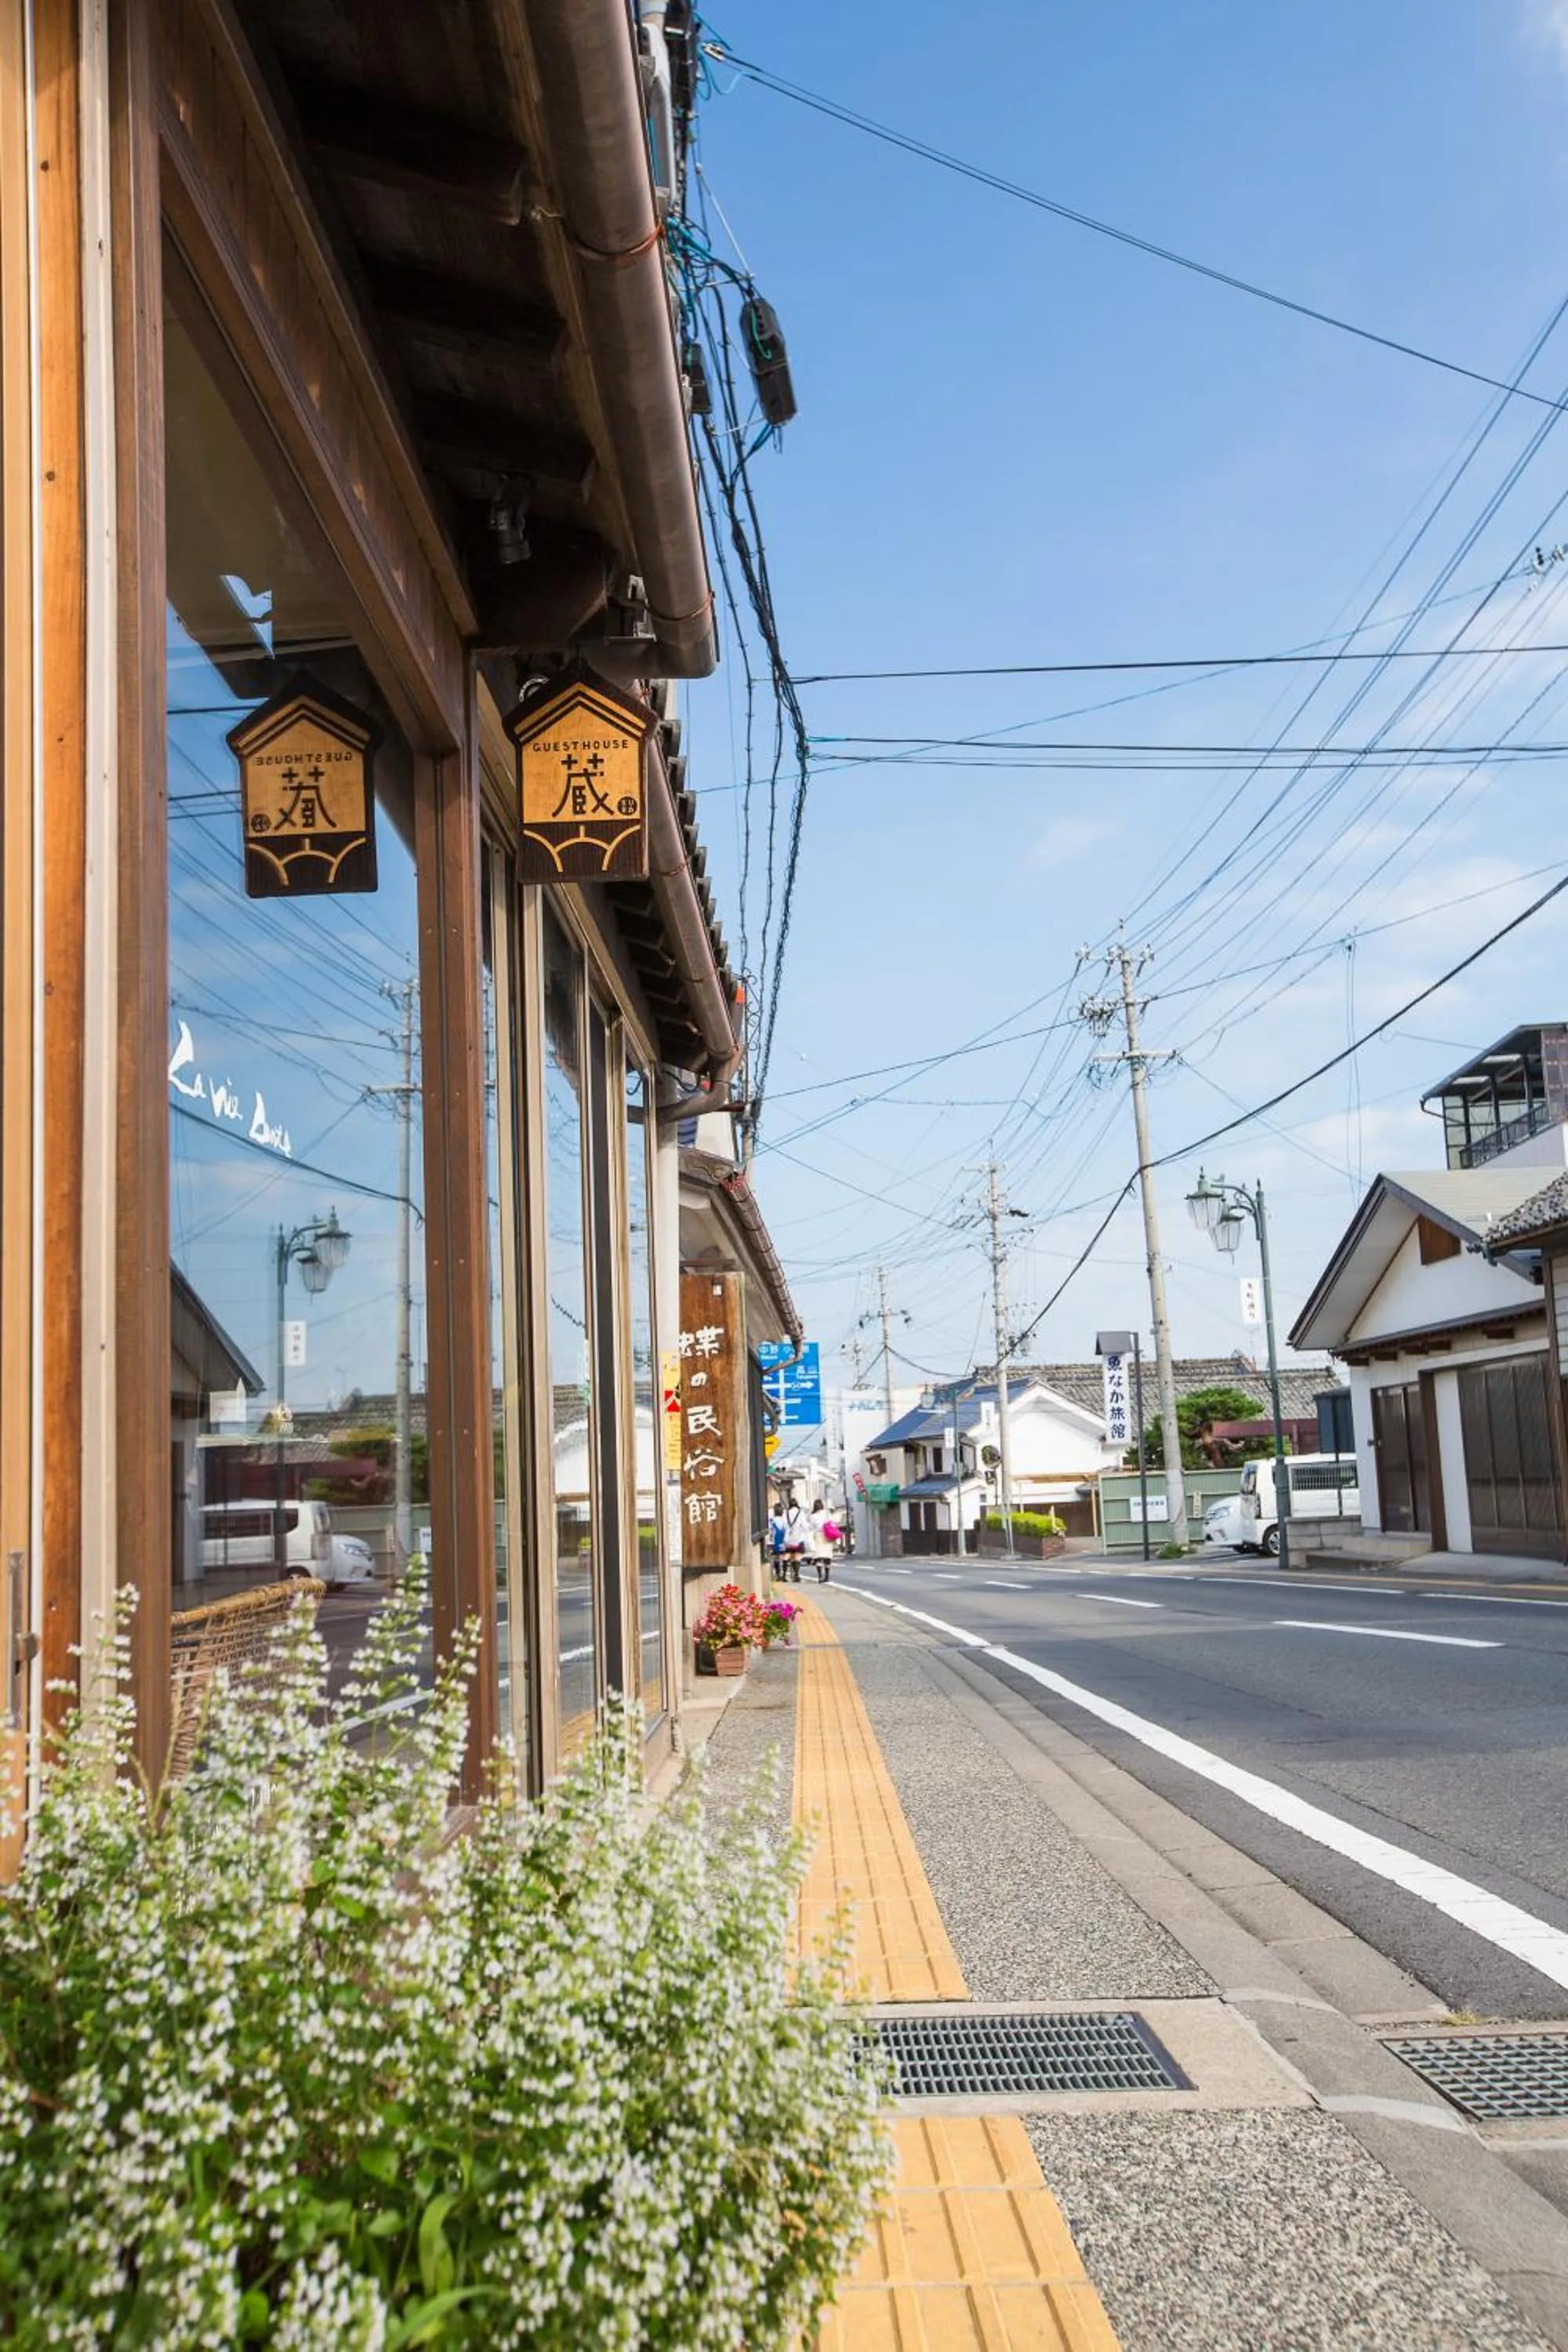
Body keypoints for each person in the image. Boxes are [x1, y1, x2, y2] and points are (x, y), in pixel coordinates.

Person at [780, 1496, 808, 1581]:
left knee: (787, 1555)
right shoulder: (801, 1513)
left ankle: (784, 1575)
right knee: (797, 1557)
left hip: (788, 1538)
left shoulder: (786, 1513)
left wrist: (789, 1529)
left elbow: (783, 1525)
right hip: (798, 1537)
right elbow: (804, 1526)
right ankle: (796, 1575)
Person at [808, 1503, 835, 1584]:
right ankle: (827, 1576)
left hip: (818, 1536)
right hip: (827, 1535)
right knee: (827, 1556)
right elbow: (832, 1522)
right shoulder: (826, 1514)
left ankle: (820, 1575)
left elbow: (811, 1527)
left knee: (818, 1557)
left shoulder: (813, 1516)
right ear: (822, 1506)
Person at [768, 1504, 786, 1579]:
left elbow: (770, 1531)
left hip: (775, 1541)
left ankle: (778, 1574)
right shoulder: (785, 1520)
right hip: (784, 1540)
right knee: (784, 1557)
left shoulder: (772, 1521)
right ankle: (784, 1574)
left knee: (776, 1557)